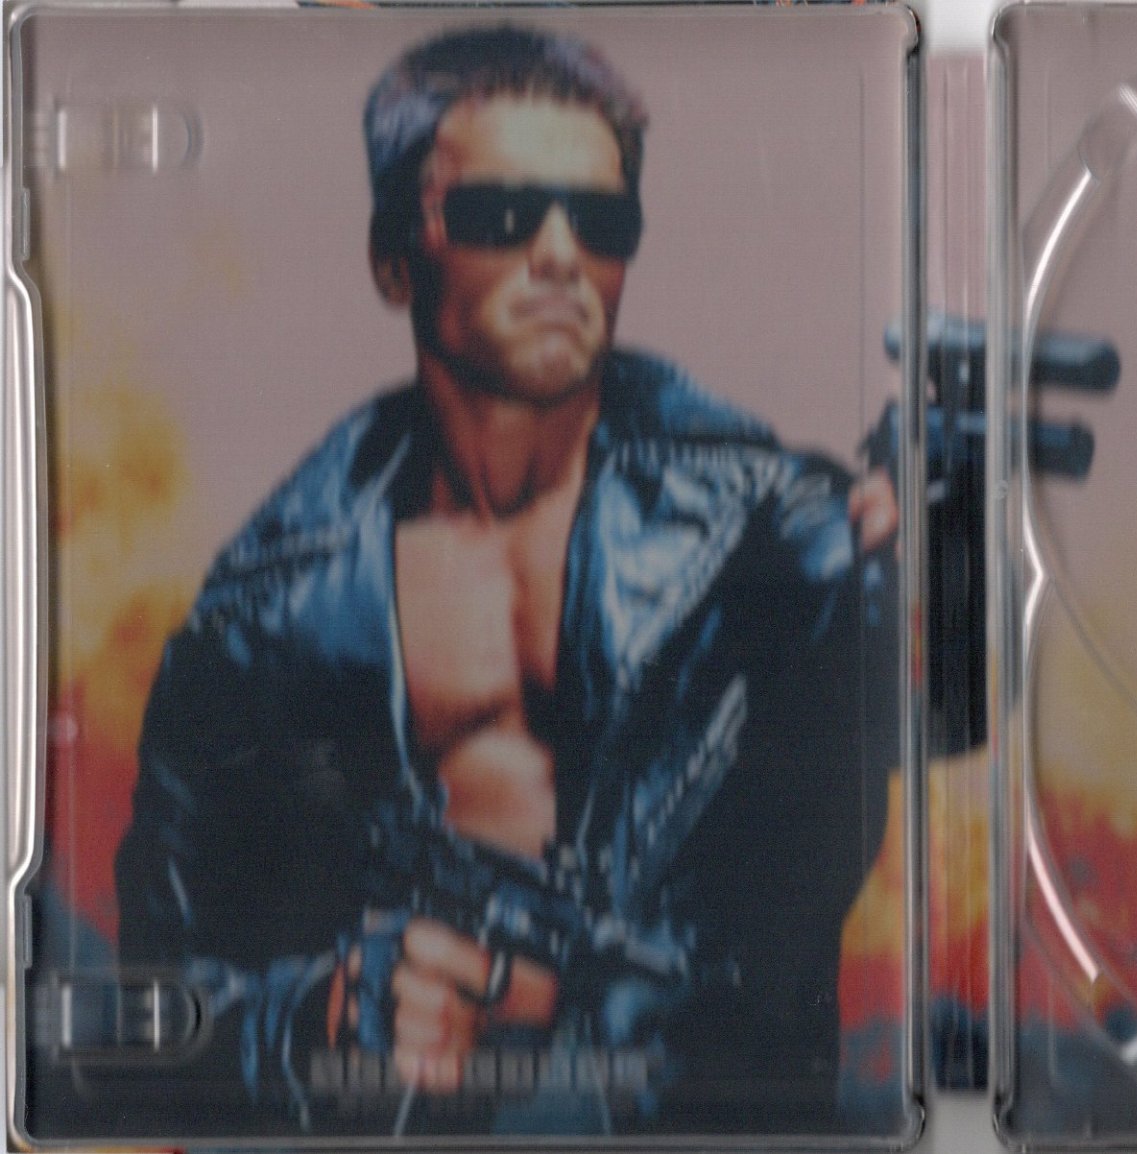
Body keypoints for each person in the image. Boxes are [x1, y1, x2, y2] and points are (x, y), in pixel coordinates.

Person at [114, 23, 901, 1135]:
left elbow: (935, 699)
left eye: (601, 221)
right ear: (395, 258)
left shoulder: (772, 530)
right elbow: (151, 1013)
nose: (561, 255)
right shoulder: (262, 618)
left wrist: (947, 567)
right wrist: (324, 1015)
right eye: (501, 215)